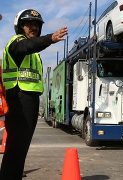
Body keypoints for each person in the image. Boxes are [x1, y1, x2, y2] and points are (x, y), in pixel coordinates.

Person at [0, 9, 68, 179]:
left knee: (20, 148)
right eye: (29, 24)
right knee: (16, 148)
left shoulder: (34, 52)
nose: (34, 28)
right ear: (20, 26)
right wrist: (50, 39)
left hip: (29, 99)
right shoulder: (16, 42)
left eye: (37, 25)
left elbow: (32, 47)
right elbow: (27, 46)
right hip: (19, 98)